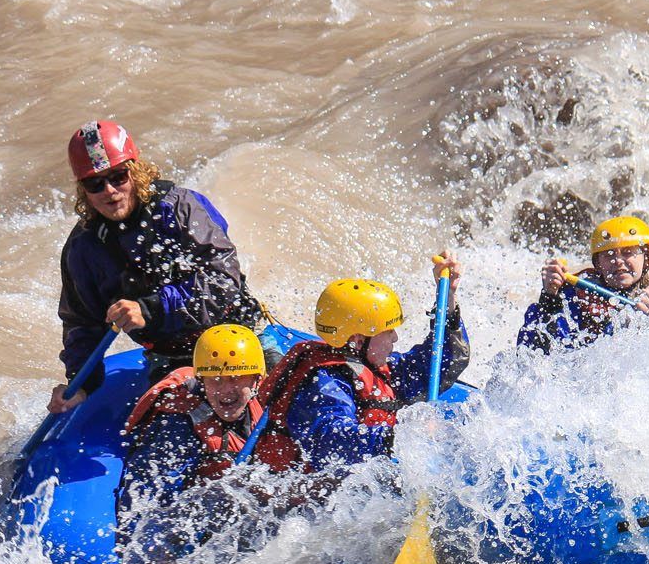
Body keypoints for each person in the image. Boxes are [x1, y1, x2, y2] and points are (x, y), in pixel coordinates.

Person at [50, 119, 261, 415]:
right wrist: (81, 384)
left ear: (135, 171)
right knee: (166, 436)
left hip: (238, 336)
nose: (109, 191)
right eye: (95, 183)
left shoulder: (181, 208)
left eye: (118, 177)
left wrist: (150, 309)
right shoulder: (83, 248)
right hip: (171, 358)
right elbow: (82, 324)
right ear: (82, 189)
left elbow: (223, 279)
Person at [256, 254, 470, 472]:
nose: (395, 338)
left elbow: (441, 362)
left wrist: (449, 300)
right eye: (387, 331)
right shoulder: (321, 385)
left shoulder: (380, 368)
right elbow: (331, 441)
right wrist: (402, 436)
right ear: (358, 341)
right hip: (308, 501)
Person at [118, 323, 280, 526]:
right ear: (202, 382)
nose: (226, 389)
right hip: (201, 516)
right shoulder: (178, 426)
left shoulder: (272, 398)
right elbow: (140, 503)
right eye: (216, 380)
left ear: (256, 380)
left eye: (236, 378)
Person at [517, 216, 649, 354]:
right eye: (608, 255)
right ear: (598, 264)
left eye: (628, 252)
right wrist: (549, 298)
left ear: (648, 259)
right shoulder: (576, 297)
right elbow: (533, 346)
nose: (618, 261)